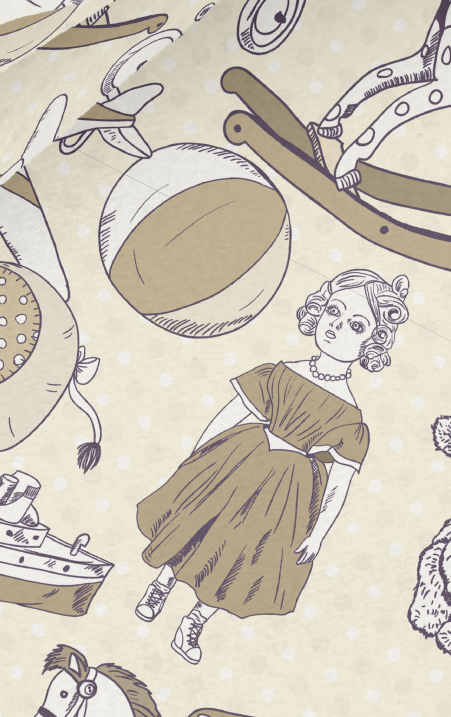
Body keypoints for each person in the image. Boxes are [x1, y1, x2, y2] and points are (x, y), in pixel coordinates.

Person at [134, 268, 410, 664]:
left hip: (286, 496)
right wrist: (194, 458)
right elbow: (230, 415)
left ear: (372, 342)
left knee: (241, 554)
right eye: (334, 311)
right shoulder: (279, 372)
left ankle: (195, 620)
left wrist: (319, 534)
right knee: (199, 526)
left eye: (356, 325)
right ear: (318, 311)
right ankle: (162, 585)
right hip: (238, 464)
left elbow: (340, 483)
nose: (337, 326)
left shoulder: (351, 418)